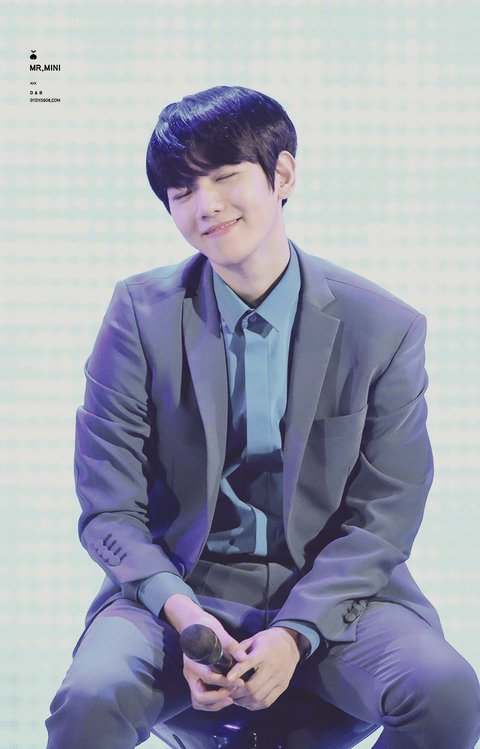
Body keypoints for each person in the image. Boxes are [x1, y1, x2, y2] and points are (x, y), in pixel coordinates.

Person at [46, 85, 480, 748]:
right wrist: (182, 612)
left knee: (446, 692)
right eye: (183, 190)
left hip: (333, 596)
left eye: (225, 177)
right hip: (178, 592)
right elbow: (108, 508)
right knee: (90, 699)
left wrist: (296, 632)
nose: (206, 205)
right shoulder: (137, 314)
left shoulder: (383, 327)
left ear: (283, 175)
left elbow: (385, 516)